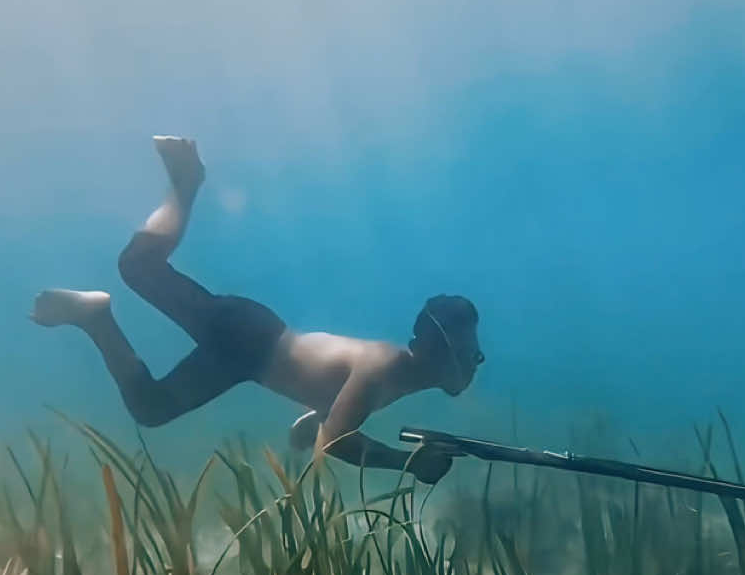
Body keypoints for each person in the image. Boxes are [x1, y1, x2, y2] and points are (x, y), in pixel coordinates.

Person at [31, 138, 483, 483]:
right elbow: (337, 441)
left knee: (150, 399)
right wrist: (406, 464)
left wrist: (315, 422)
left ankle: (96, 318)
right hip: (248, 342)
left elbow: (330, 412)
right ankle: (185, 186)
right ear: (440, 352)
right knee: (137, 269)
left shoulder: (394, 375)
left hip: (249, 345)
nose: (476, 363)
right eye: (470, 355)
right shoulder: (384, 368)